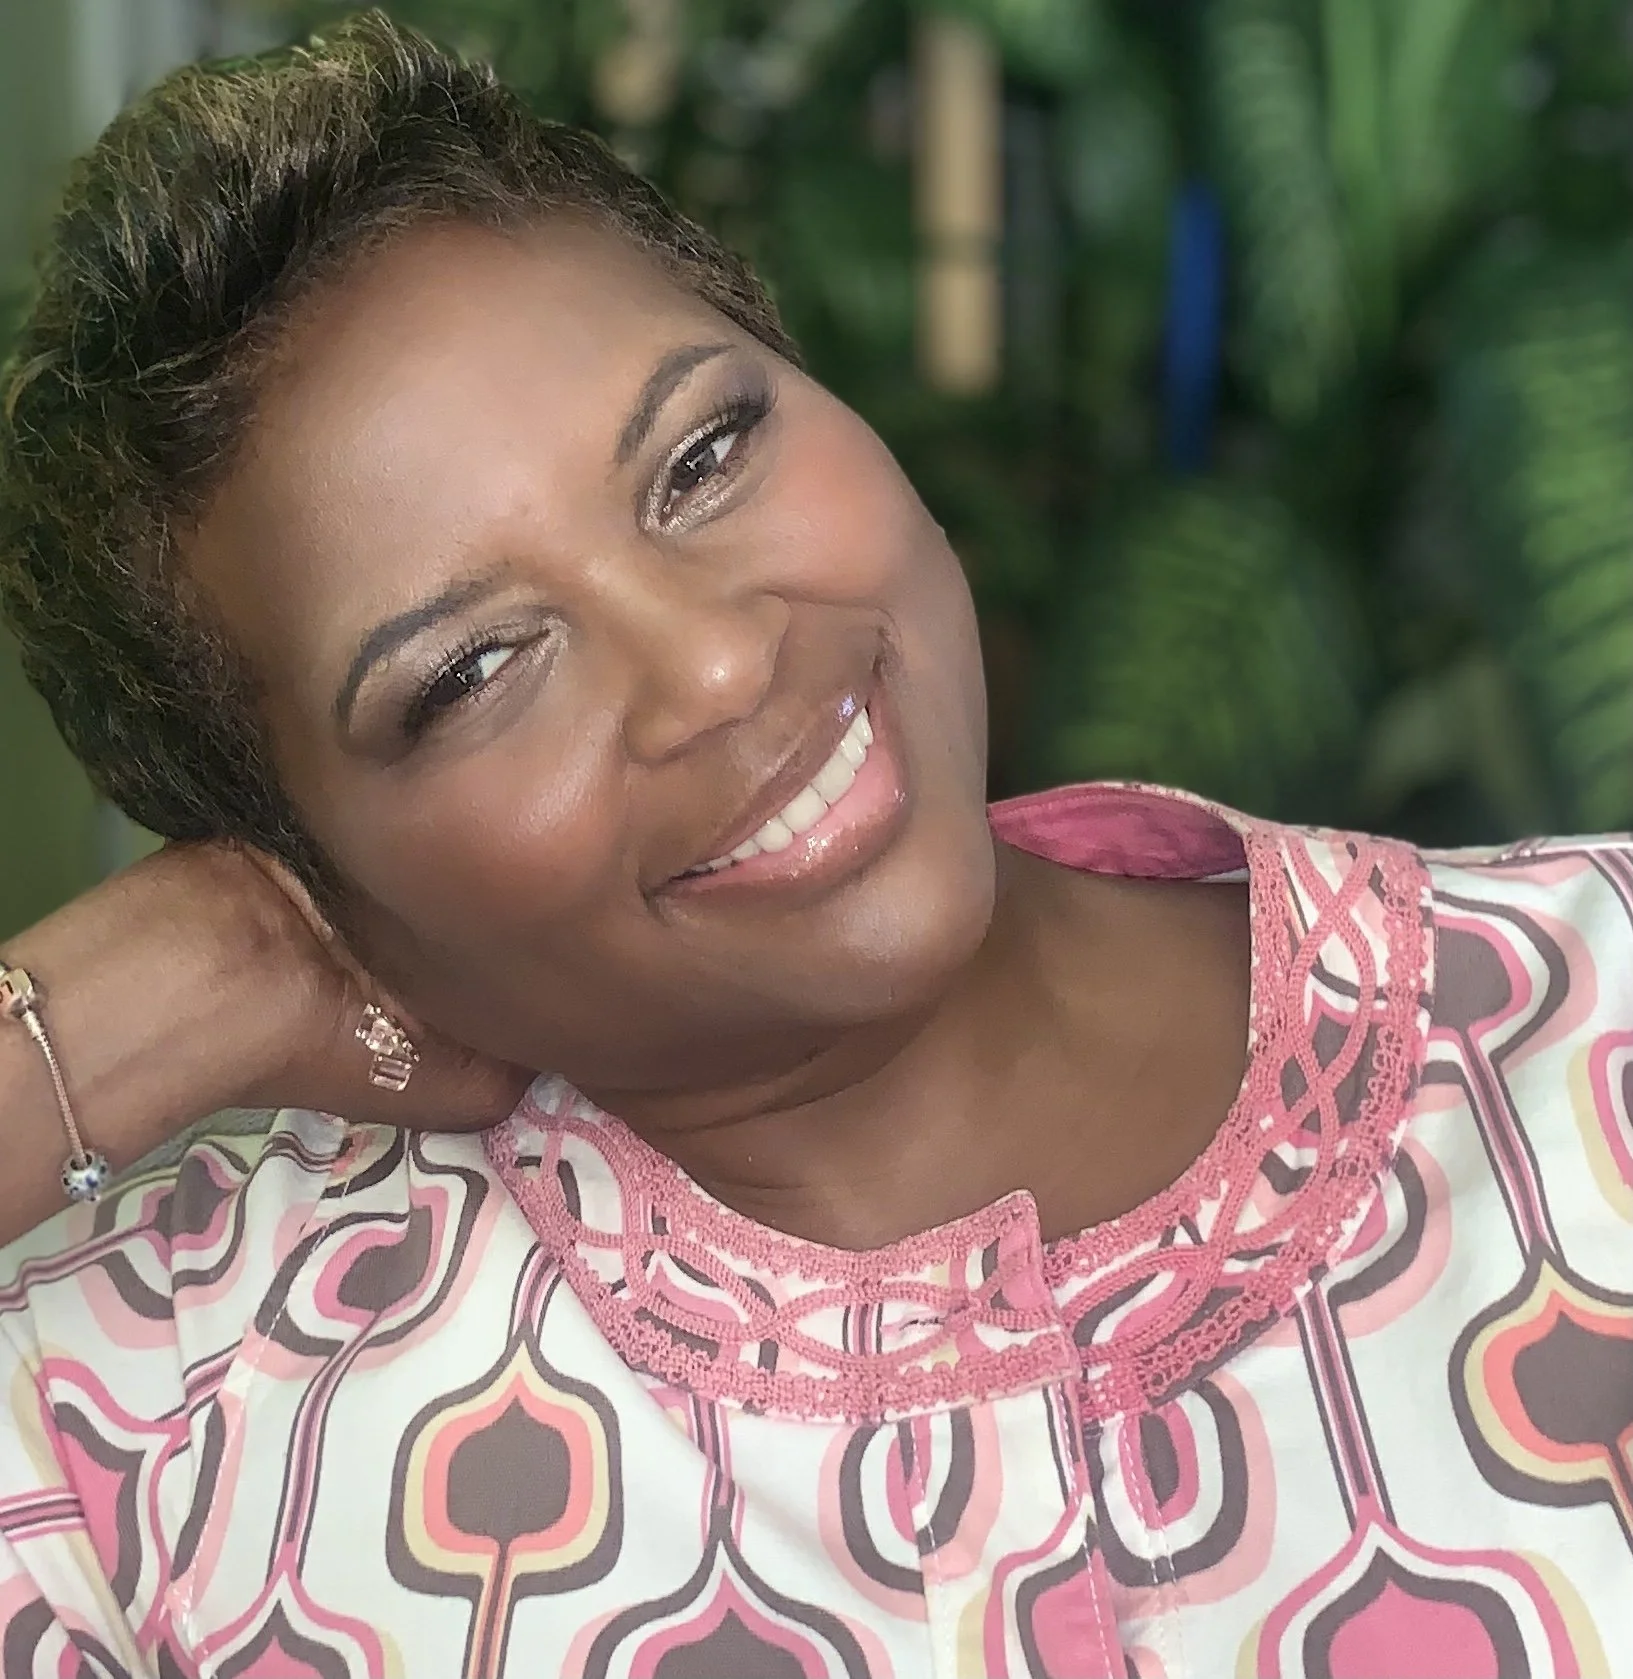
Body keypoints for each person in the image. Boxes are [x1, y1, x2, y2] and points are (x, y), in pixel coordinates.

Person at [0, 12, 1629, 1676]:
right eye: (473, 672)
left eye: (704, 454)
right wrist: (140, 998)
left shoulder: (1598, 1030)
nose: (716, 665)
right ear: (306, 872)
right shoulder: (166, 1426)